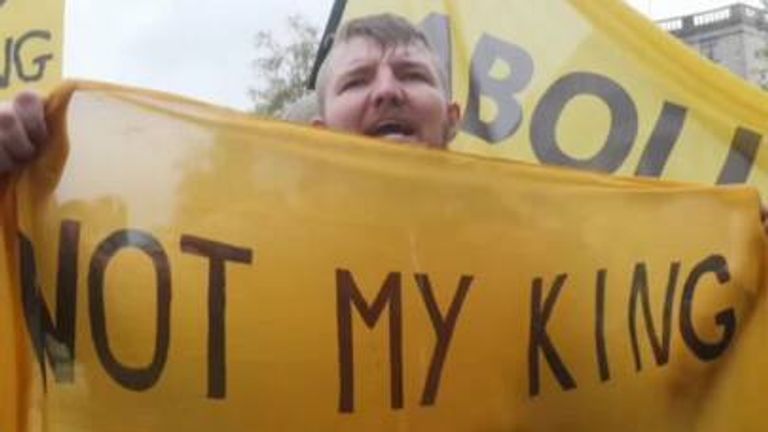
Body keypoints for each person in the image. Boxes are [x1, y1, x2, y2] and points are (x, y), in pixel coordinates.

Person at [0, 13, 766, 231]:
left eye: (412, 76)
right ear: (323, 130)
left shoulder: (537, 245)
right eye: (359, 80)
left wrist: (741, 247)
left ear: (453, 116)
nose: (388, 92)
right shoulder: (238, 241)